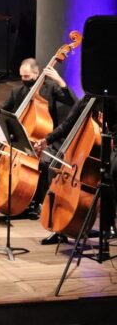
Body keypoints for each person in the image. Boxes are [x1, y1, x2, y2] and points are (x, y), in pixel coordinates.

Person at [0, 58, 76, 218]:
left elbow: (72, 102)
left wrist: (60, 81)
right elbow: (0, 110)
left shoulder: (51, 88)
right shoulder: (18, 92)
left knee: (43, 162)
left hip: (46, 139)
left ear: (37, 74)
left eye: (27, 77)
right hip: (22, 139)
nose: (24, 80)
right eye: (22, 76)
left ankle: (40, 203)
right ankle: (16, 198)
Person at [34, 95, 117, 245]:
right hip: (89, 151)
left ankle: (109, 225)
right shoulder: (86, 100)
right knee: (53, 171)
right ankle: (58, 229)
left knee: (108, 175)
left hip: (112, 144)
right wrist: (47, 140)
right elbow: (67, 125)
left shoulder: (111, 99)